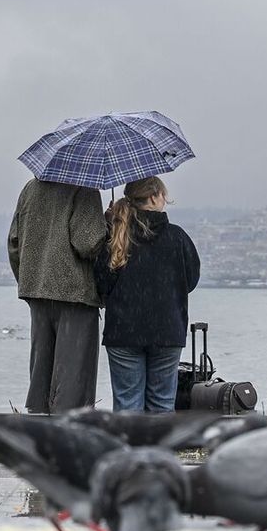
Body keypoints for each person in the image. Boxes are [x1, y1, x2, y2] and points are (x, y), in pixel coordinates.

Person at [94, 176, 200, 412]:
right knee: (162, 405)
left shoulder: (116, 237)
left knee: (127, 405)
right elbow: (191, 281)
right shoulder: (177, 237)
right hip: (167, 331)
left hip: (123, 332)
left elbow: (101, 283)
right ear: (154, 197)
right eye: (163, 194)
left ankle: (128, 448)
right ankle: (159, 448)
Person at [7, 178, 106, 414]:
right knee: (73, 375)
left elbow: (14, 242)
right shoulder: (84, 187)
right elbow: (87, 243)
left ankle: (39, 428)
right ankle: (68, 434)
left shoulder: (30, 188)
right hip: (75, 294)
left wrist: (30, 280)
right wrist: (107, 225)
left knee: (41, 372)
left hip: (37, 290)